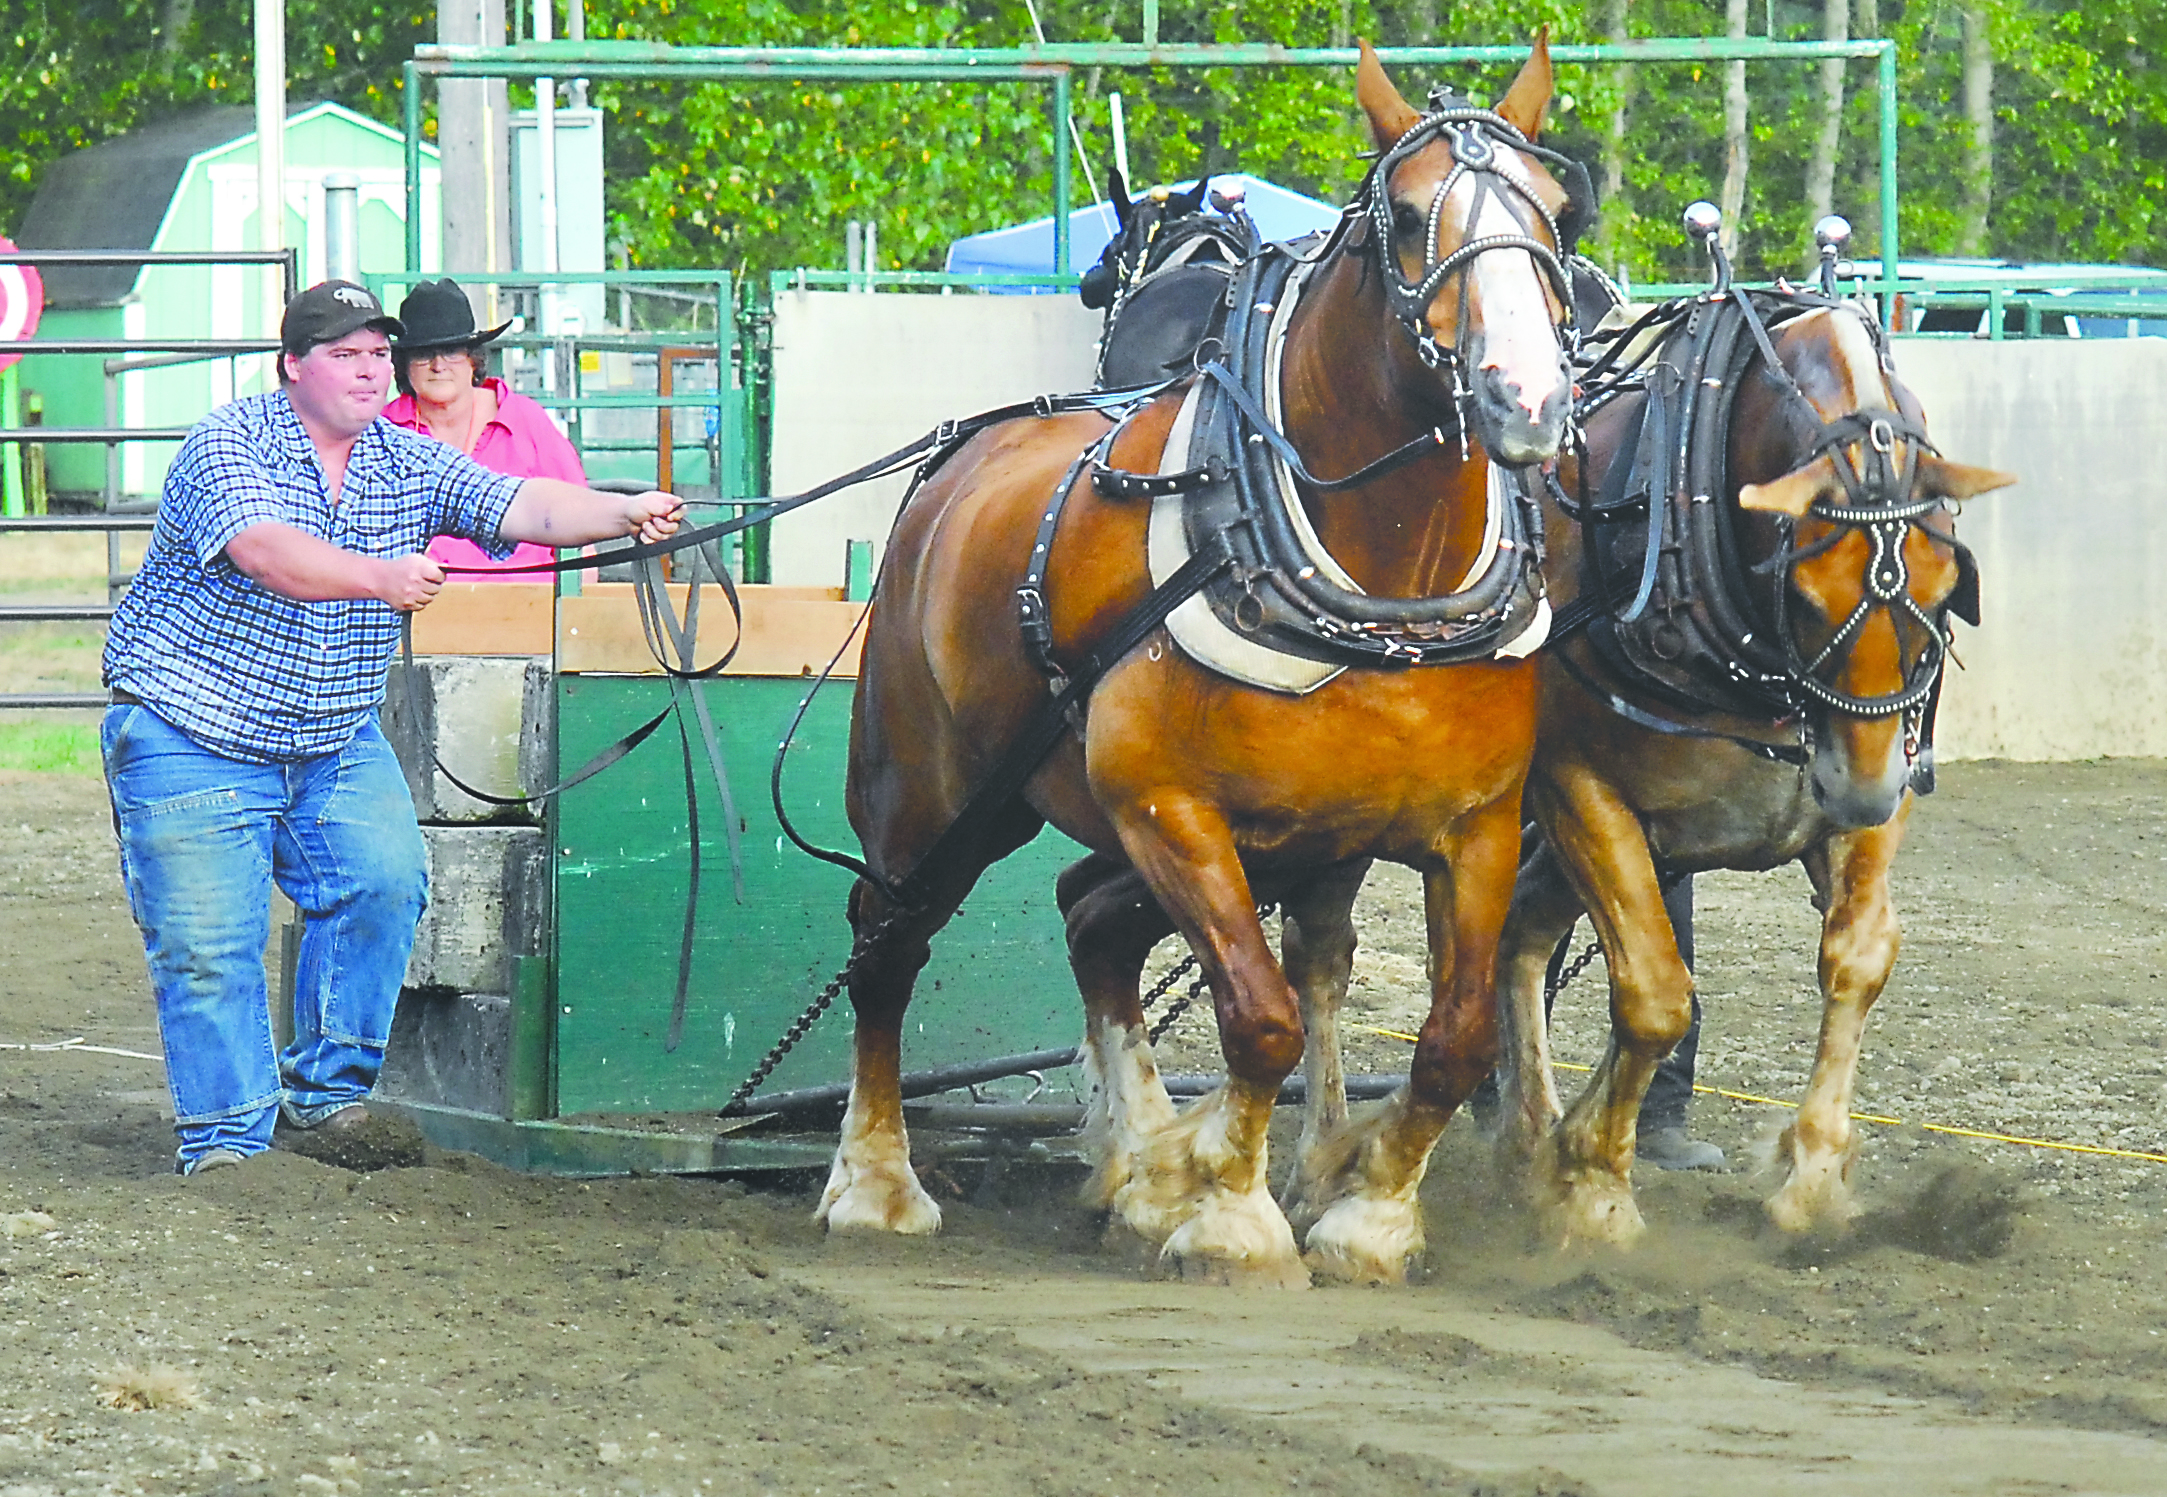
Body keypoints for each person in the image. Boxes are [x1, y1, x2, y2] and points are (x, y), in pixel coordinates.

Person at [100, 280, 681, 1176]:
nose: (370, 370)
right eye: (346, 354)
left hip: (329, 735)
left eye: (379, 354)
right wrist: (379, 576)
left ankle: (325, 1096)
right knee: (209, 947)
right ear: (293, 366)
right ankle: (229, 1146)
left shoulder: (406, 460)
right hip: (192, 729)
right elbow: (264, 550)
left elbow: (521, 504)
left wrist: (622, 510)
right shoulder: (229, 442)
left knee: (383, 882)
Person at [381, 276, 583, 577]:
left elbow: (578, 519)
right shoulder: (382, 430)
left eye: (452, 351)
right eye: (423, 354)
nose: (438, 365)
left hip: (530, 598)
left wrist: (576, 602)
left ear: (473, 359)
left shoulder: (524, 418)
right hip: (420, 599)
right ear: (404, 364)